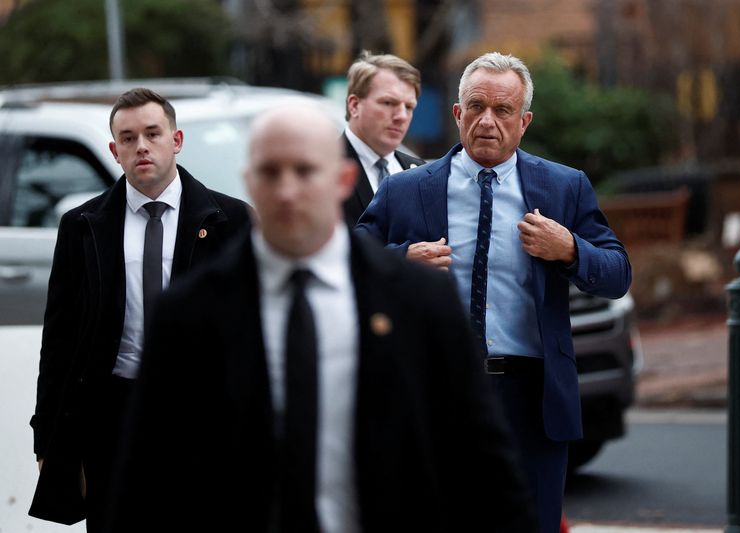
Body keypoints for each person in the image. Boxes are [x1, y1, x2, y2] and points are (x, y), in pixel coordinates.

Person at [106, 103, 536, 533]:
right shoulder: (190, 314)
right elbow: (146, 483)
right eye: (271, 173)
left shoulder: (418, 301)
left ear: (343, 180)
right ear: (250, 184)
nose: (287, 191)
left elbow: (483, 464)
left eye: (306, 171)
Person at [357, 52, 632, 533]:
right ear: (457, 114)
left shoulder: (565, 187)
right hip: (435, 389)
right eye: (477, 106)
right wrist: (401, 260)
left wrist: (569, 248)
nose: (488, 120)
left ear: (524, 121)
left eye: (503, 110)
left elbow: (617, 274)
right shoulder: (406, 190)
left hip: (531, 395)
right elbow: (347, 258)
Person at [28, 88, 251, 531]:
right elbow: (60, 335)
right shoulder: (82, 226)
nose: (141, 146)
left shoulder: (232, 220)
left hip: (202, 415)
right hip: (114, 414)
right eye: (128, 138)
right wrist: (46, 436)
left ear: (177, 140)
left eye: (153, 133)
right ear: (114, 151)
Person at [342, 50, 425, 228]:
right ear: (355, 105)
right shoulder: (321, 168)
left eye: (409, 107)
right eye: (388, 103)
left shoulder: (420, 172)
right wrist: (402, 255)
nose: (402, 116)